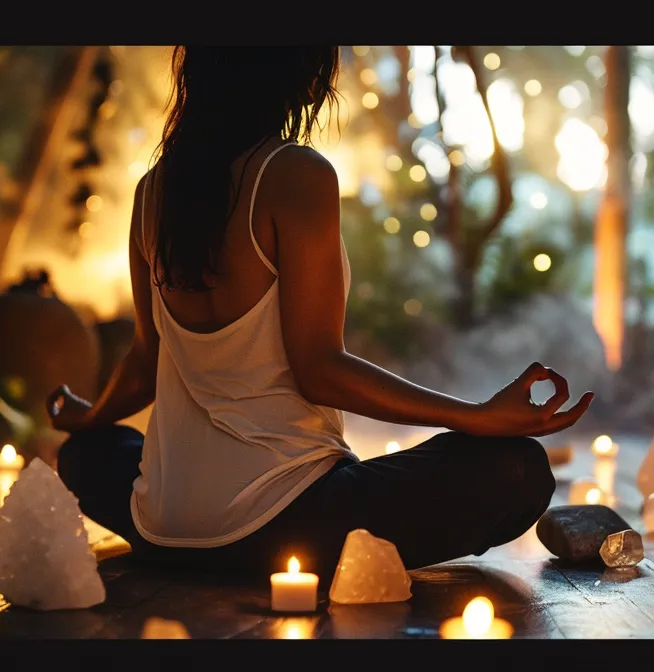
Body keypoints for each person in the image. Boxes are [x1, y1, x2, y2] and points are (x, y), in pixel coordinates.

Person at [45, 46, 594, 576]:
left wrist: (88, 419)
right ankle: (249, 550)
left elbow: (145, 361)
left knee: (84, 455)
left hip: (160, 524)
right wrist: (474, 415)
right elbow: (319, 368)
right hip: (291, 525)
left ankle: (184, 541)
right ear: (302, 71)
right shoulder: (294, 174)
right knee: (517, 470)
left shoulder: (152, 192)